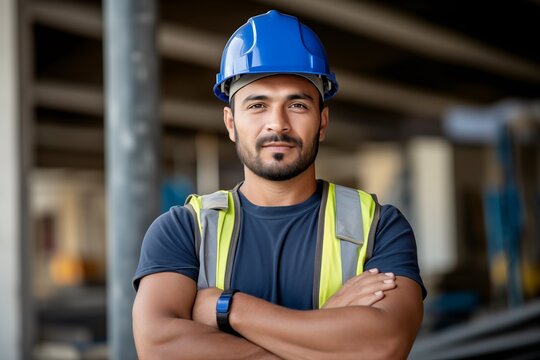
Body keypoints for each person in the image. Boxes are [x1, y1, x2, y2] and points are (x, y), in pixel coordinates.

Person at [132, 10, 425, 360]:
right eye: (257, 105)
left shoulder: (378, 226)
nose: (278, 124)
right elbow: (158, 346)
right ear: (231, 122)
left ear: (322, 121)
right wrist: (327, 332)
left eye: (297, 104)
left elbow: (382, 345)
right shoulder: (184, 229)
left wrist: (228, 308)